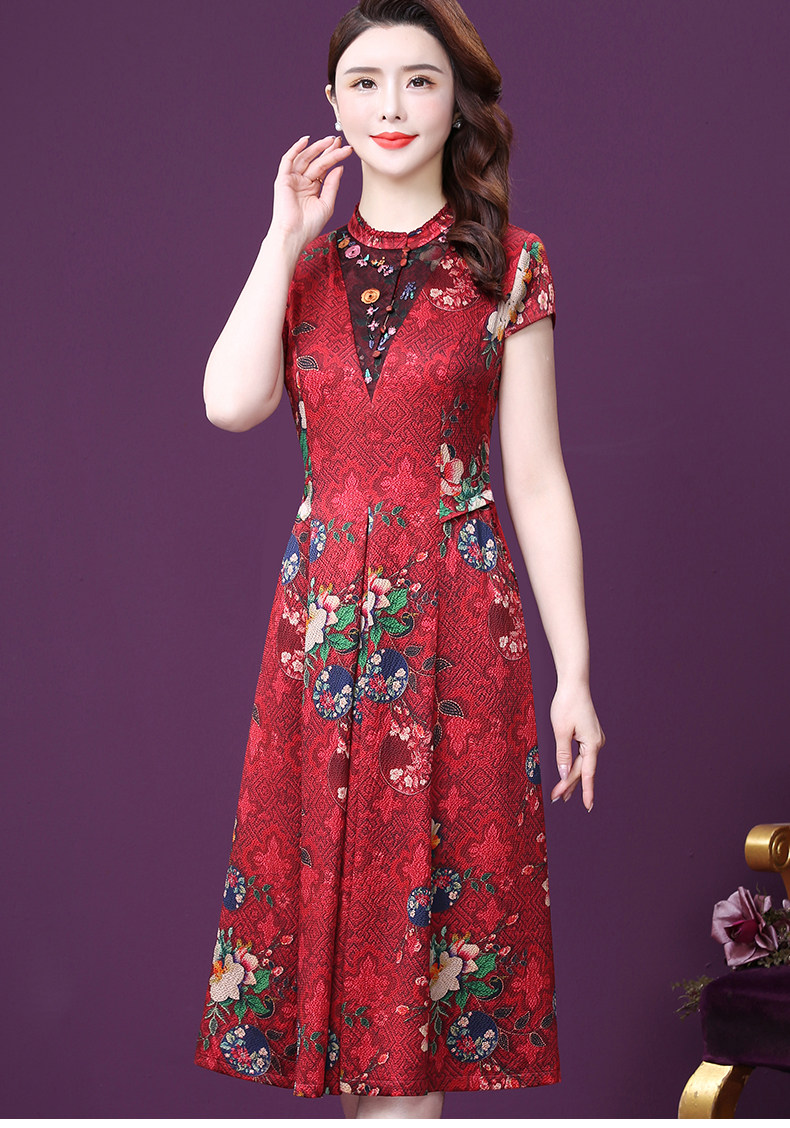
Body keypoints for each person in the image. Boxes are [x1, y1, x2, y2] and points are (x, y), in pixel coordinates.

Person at [193, 0, 605, 1118]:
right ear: (330, 106)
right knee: (337, 938)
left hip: (457, 625)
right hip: (323, 635)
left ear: (458, 102)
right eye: (364, 83)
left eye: (419, 80)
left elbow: (536, 480)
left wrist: (574, 673)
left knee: (426, 961)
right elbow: (230, 401)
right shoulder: (306, 267)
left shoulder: (510, 264)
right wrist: (282, 235)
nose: (392, 106)